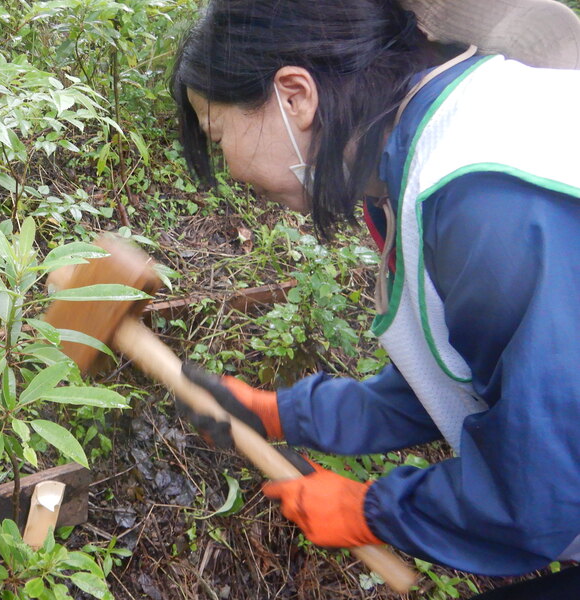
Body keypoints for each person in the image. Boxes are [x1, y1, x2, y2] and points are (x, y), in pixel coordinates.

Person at [170, 0, 580, 594]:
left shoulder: (483, 194)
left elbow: (546, 481)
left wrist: (375, 509)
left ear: (294, 96)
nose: (228, 167)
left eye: (217, 133)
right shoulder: (418, 160)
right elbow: (458, 374)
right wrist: (282, 414)